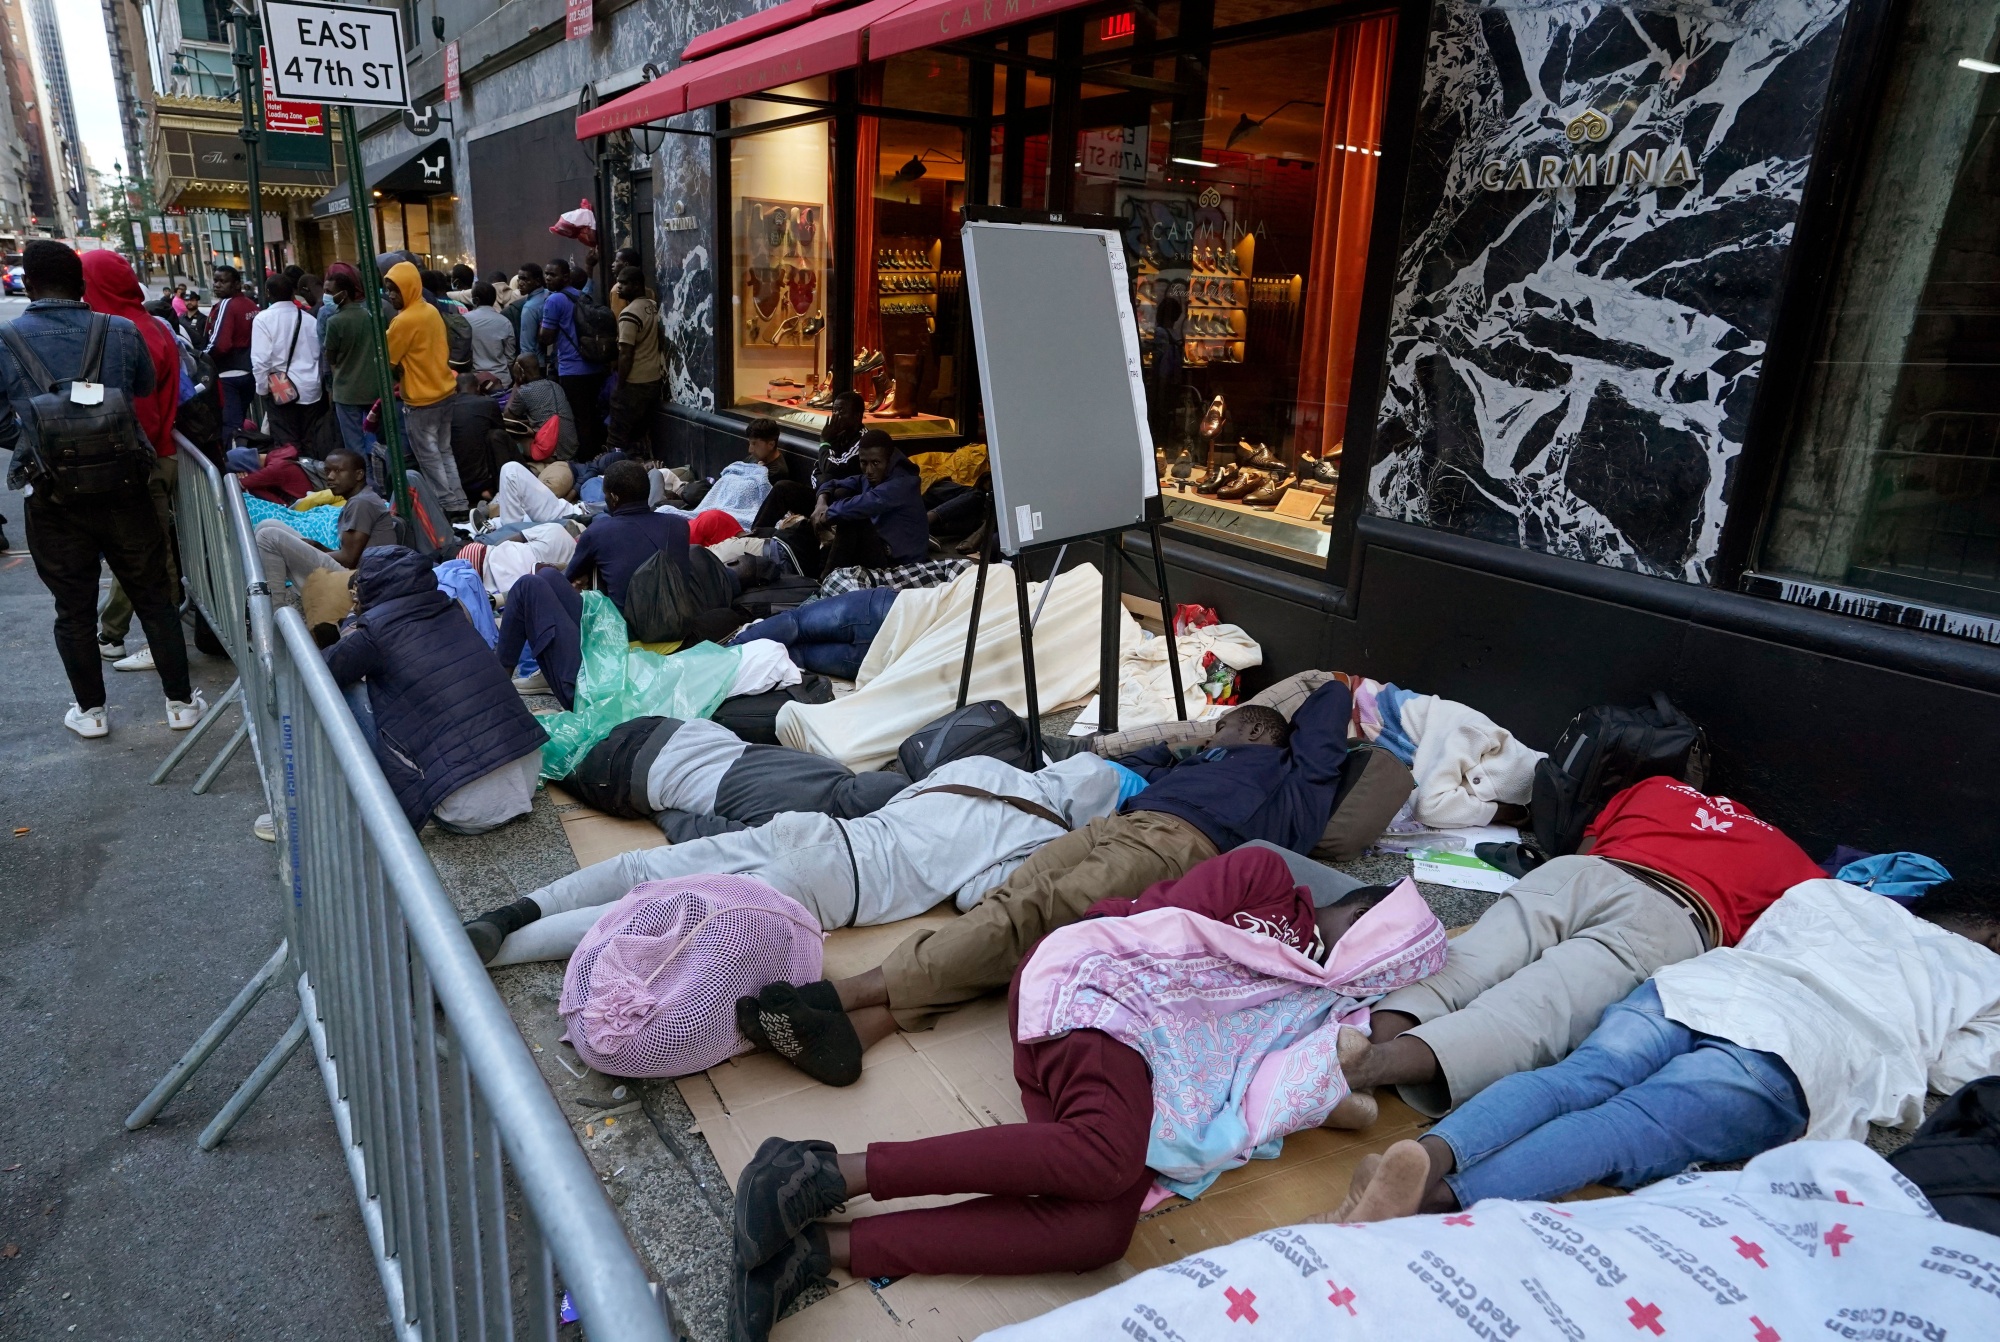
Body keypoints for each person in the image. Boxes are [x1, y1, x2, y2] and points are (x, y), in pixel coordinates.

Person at [723, 847, 1445, 1341]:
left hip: (1145, 1078)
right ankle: (821, 1171)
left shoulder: (1316, 1004)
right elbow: (1158, 929)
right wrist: (1282, 960)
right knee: (1105, 1155)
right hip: (1102, 989)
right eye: (1360, 936)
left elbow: (1270, 1081)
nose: (1345, 960)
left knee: (1100, 1231)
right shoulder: (1266, 881)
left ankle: (819, 1252)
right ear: (1353, 907)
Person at [747, 683, 1355, 1084]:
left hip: (1177, 846)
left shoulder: (1292, 781)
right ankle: (861, 1032)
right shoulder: (1201, 761)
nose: (1212, 734)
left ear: (1253, 733)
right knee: (1006, 905)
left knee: (1029, 915)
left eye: (1224, 727)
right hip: (1118, 826)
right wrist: (1193, 741)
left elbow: (1328, 710)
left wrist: (1325, 682)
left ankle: (843, 995)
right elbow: (1121, 757)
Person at [1342, 877, 2000, 1222]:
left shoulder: (1837, 897)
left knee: (1578, 1077)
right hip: (1795, 1053)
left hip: (1704, 989)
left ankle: (1423, 1160)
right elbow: (1960, 1071)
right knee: (1620, 1128)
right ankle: (1433, 1202)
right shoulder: (1984, 974)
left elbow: (1768, 935)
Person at [1339, 775, 1826, 1117]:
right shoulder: (1797, 863)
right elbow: (1779, 951)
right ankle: (1373, 1069)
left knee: (1467, 963)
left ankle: (1361, 1051)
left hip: (1585, 872)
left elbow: (1589, 847)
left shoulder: (1658, 787)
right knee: (1537, 1008)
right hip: (1675, 914)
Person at [461, 750, 1128, 969]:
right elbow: (968, 897)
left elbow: (913, 793)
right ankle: (493, 955)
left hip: (814, 832)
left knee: (642, 870)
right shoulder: (1040, 838)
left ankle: (513, 910)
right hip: (838, 886)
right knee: (653, 912)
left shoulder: (984, 764)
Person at [1, 240, 203, 738]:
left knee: (72, 607)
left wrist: (38, 443)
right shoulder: (120, 331)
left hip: (52, 496)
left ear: (28, 281)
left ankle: (91, 712)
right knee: (153, 593)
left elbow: (1, 422)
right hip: (124, 486)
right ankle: (180, 703)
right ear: (81, 282)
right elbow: (138, 390)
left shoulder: (6, 340)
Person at [325, 546, 549, 834]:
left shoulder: (374, 633)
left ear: (369, 587)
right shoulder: (450, 607)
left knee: (347, 688)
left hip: (466, 807)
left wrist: (351, 624)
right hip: (526, 778)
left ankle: (374, 798)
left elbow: (323, 669)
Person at [491, 460, 696, 705]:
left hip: (619, 649)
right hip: (675, 638)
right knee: (546, 577)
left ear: (614, 497)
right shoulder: (678, 525)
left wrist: (584, 576)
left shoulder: (600, 531)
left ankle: (498, 687)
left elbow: (565, 582)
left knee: (533, 582)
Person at [556, 713, 910, 841]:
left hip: (662, 726)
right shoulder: (801, 827)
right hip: (624, 772)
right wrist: (657, 812)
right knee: (557, 769)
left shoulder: (835, 768)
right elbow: (702, 835)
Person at [82, 250, 184, 670]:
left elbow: (138, 408)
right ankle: (116, 632)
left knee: (146, 555)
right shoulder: (148, 326)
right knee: (143, 552)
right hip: (156, 455)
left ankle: (152, 638)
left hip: (140, 461)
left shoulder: (121, 334)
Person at [253, 446, 397, 608]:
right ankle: (274, 606)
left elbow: (349, 560)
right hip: (353, 574)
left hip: (360, 584)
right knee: (267, 524)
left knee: (269, 536)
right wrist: (319, 548)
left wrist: (312, 551)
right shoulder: (359, 499)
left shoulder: (361, 503)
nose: (330, 477)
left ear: (359, 475)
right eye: (328, 471)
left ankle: (274, 610)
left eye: (338, 471)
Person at [383, 260, 469, 515]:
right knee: (444, 451)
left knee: (430, 457)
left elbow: (388, 359)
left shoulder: (403, 321)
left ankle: (448, 506)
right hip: (445, 392)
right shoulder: (430, 310)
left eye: (395, 289)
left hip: (421, 400)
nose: (390, 295)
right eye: (388, 289)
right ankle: (460, 502)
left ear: (408, 287)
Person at [813, 431, 927, 573]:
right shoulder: (869, 477)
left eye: (875, 463)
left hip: (899, 563)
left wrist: (826, 516)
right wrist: (821, 503)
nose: (869, 471)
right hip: (880, 545)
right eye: (864, 463)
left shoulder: (903, 483)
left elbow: (865, 504)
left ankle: (824, 581)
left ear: (889, 461)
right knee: (837, 494)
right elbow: (833, 483)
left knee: (851, 517)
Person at [730, 587, 898, 681]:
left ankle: (724, 656)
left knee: (796, 623)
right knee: (799, 657)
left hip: (888, 609)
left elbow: (794, 623)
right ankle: (730, 669)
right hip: (893, 657)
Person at [538, 259, 609, 459]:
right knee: (593, 415)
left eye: (553, 274)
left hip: (572, 369)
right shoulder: (583, 295)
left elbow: (546, 336)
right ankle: (598, 455)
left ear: (566, 277)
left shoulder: (553, 300)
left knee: (580, 418)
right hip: (594, 366)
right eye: (547, 273)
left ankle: (587, 460)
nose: (548, 278)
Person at [251, 272, 326, 453]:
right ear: (293, 294)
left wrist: (262, 388)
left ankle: (295, 478)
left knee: (287, 445)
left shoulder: (263, 319)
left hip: (280, 391)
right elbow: (317, 353)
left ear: (268, 293)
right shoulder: (308, 319)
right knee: (310, 441)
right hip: (311, 389)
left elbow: (261, 360)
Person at [321, 268, 384, 459]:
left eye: (330, 292)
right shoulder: (372, 316)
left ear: (344, 294)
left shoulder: (335, 322)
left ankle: (364, 482)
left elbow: (330, 357)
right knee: (376, 441)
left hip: (346, 392)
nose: (326, 296)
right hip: (374, 389)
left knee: (354, 445)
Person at [608, 266, 662, 454]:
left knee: (618, 434)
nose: (618, 287)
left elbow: (625, 353)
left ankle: (615, 469)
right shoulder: (652, 306)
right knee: (641, 432)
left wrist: (620, 384)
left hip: (634, 381)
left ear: (637, 285)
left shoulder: (629, 314)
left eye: (624, 283)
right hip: (653, 378)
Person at [204, 264, 258, 433]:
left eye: (222, 281)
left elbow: (220, 344)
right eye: (215, 281)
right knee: (239, 423)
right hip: (249, 373)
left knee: (231, 427)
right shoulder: (251, 305)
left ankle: (234, 458)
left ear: (236, 284)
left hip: (228, 375)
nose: (217, 285)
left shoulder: (227, 304)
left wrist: (201, 358)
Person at [448, 372, 512, 502]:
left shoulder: (446, 407)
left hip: (456, 479)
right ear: (477, 388)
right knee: (496, 436)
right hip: (484, 478)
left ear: (455, 389)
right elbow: (501, 435)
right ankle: (500, 487)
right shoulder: (487, 403)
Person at [500, 353, 576, 461]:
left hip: (552, 452)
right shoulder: (556, 386)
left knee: (509, 437)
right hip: (570, 448)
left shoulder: (524, 391)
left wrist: (516, 384)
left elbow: (508, 417)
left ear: (520, 371)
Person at [743, 417, 813, 530]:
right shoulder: (754, 458)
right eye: (750, 443)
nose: (750, 449)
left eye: (754, 444)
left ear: (770, 444)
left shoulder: (777, 471)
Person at [810, 391, 865, 499]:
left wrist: (825, 442)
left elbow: (832, 468)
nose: (835, 415)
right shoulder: (836, 435)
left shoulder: (863, 440)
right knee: (783, 487)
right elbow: (817, 470)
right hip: (823, 493)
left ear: (857, 416)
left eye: (841, 411)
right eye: (834, 411)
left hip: (847, 496)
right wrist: (822, 493)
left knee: (839, 492)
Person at [464, 281, 517, 388]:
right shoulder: (505, 322)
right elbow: (510, 357)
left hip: (475, 382)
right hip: (502, 381)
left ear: (476, 300)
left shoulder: (465, 320)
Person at [512, 262, 547, 352]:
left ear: (537, 281)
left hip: (535, 361)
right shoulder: (549, 294)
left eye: (525, 279)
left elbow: (527, 346)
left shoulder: (529, 307)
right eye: (519, 279)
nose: (520, 283)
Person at [607, 247, 652, 316]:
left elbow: (618, 317)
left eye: (616, 261)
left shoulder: (617, 290)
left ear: (626, 265)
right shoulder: (649, 291)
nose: (613, 264)